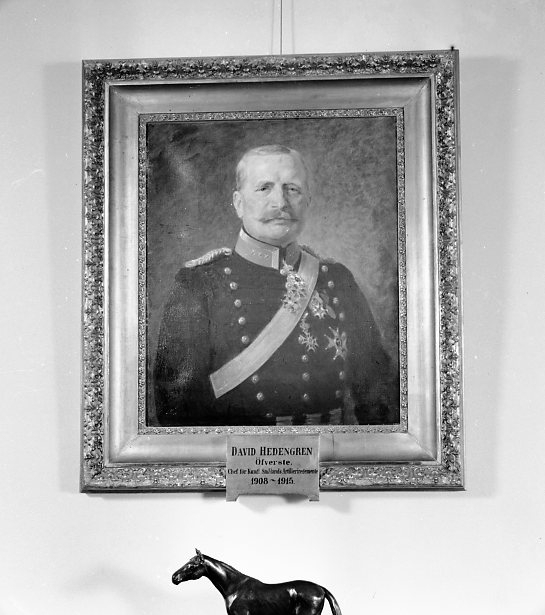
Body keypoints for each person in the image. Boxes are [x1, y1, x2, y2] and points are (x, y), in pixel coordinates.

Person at [153, 144, 399, 426]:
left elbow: (379, 397)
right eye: (264, 188)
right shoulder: (199, 285)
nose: (280, 202)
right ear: (238, 203)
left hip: (328, 448)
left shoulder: (337, 280)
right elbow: (177, 414)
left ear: (307, 201)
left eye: (292, 189)